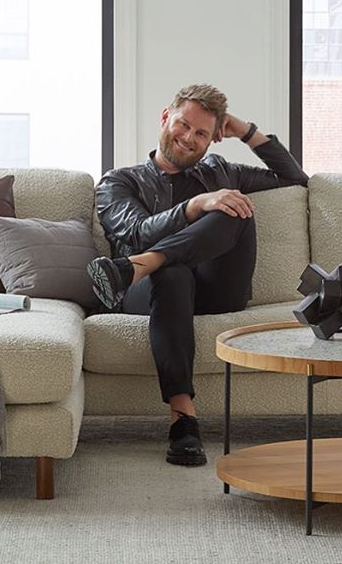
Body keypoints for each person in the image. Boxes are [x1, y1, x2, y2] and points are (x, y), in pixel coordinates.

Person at [89, 84, 308, 466]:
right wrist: (195, 205)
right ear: (165, 118)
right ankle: (183, 421)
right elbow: (136, 232)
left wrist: (243, 130)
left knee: (234, 207)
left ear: (212, 140)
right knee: (173, 275)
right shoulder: (118, 182)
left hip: (210, 288)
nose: (189, 138)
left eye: (202, 133)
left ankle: (143, 264)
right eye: (183, 125)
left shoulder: (219, 171)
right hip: (151, 292)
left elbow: (293, 178)